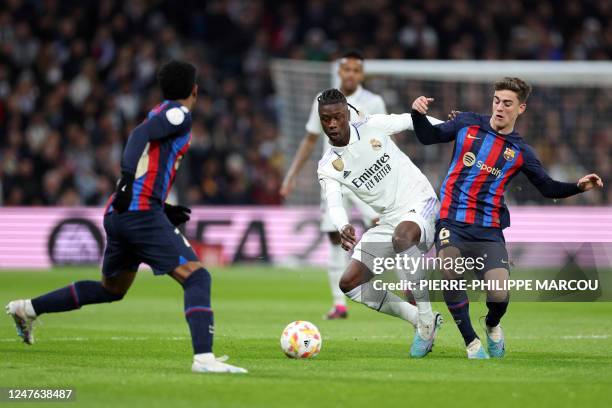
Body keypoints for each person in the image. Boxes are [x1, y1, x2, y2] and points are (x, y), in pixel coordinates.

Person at [6, 60, 247, 374]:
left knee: (111, 289)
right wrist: (125, 179)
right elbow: (138, 135)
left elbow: (148, 151)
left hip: (121, 213)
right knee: (198, 276)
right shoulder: (179, 114)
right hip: (138, 211)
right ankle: (204, 358)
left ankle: (27, 309)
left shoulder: (158, 110)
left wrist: (156, 204)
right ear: (195, 90)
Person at [410, 77, 604, 359]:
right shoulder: (467, 123)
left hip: (489, 230)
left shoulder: (522, 152)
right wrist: (417, 114)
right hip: (451, 221)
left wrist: (578, 186)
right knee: (449, 271)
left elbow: (547, 187)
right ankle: (472, 344)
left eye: (508, 103)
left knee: (499, 296)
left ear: (521, 108)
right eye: (496, 101)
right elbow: (428, 136)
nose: (500, 108)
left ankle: (492, 325)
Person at [316, 88, 444, 358]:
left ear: (347, 114)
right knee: (349, 284)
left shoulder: (372, 125)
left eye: (337, 117)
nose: (332, 124)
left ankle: (425, 321)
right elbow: (334, 201)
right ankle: (416, 317)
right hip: (389, 219)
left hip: (421, 202)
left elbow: (411, 120)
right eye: (326, 119)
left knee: (402, 238)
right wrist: (342, 226)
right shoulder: (328, 165)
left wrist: (453, 129)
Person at [281, 51, 386, 320]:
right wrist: (292, 174)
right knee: (334, 237)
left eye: (356, 70)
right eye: (346, 69)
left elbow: (386, 139)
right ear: (340, 71)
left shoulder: (373, 101)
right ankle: (339, 304)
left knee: (381, 228)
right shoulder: (323, 101)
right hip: (335, 179)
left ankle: (398, 287)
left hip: (367, 177)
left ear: (361, 74)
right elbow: (309, 139)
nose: (350, 74)